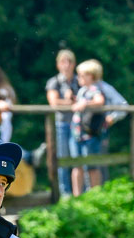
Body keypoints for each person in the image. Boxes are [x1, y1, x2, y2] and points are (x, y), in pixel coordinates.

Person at [70, 59, 107, 196]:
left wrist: (85, 103)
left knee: (91, 166)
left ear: (90, 76)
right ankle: (78, 195)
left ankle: (94, 194)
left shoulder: (94, 89)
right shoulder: (83, 90)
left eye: (81, 75)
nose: (78, 78)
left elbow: (99, 101)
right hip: (78, 133)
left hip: (89, 133)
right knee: (77, 164)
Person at [45, 49, 79, 196]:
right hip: (61, 125)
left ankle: (81, 192)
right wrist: (70, 101)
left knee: (78, 159)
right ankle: (65, 193)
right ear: (58, 64)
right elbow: (54, 103)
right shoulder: (54, 82)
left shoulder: (79, 80)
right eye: (63, 61)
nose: (67, 65)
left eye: (69, 61)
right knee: (62, 159)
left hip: (78, 125)